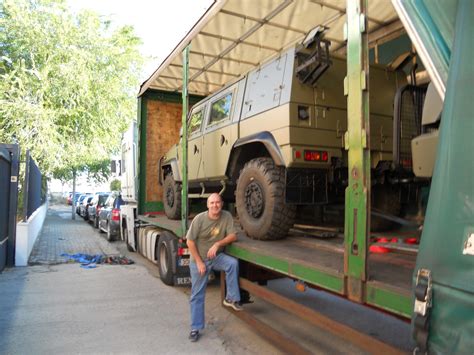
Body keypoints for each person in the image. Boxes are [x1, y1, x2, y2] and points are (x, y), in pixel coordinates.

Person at [186, 193, 242, 342]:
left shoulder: (226, 216)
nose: (215, 205)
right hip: (199, 259)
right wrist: (199, 262)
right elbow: (189, 242)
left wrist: (217, 244)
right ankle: (195, 328)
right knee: (197, 295)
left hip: (216, 257)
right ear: (207, 205)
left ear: (222, 204)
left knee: (232, 264)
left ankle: (231, 298)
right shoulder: (199, 219)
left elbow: (233, 236)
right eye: (212, 203)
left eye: (217, 202)